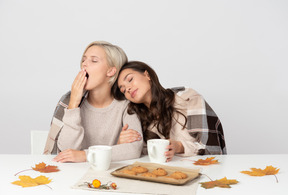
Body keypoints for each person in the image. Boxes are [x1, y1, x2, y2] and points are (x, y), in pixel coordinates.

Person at [44, 41, 143, 163]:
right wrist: (73, 105)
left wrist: (84, 155)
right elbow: (66, 153)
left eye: (94, 60)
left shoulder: (127, 107)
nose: (84, 64)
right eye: (83, 60)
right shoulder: (69, 102)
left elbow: (133, 149)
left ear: (111, 71)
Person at [112, 61, 226, 162]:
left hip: (204, 173)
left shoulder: (187, 97)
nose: (128, 89)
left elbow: (213, 149)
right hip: (165, 178)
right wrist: (121, 144)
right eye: (123, 90)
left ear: (147, 75)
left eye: (130, 79)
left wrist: (180, 147)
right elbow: (144, 159)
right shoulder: (137, 118)